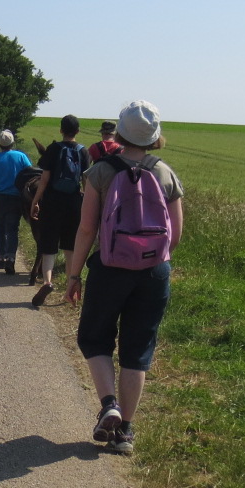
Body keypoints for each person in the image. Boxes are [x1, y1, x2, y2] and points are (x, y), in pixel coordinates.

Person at [64, 100, 184, 456]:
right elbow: (174, 235)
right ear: (154, 136)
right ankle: (125, 433)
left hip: (110, 269)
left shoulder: (100, 171)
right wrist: (151, 261)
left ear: (119, 132)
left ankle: (109, 405)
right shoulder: (166, 174)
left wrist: (74, 275)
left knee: (94, 338)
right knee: (138, 349)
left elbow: (86, 229)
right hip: (153, 272)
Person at [28, 114, 91, 307]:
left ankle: (47, 281)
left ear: (61, 130)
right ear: (78, 131)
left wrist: (35, 201)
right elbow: (85, 181)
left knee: (49, 246)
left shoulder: (53, 149)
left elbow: (44, 180)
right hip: (73, 203)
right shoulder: (83, 151)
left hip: (52, 202)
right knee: (70, 247)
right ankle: (69, 291)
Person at [0, 130, 33, 275]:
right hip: (16, 198)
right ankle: (10, 258)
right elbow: (30, 173)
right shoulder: (21, 157)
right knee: (12, 229)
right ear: (13, 142)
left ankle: (0, 258)